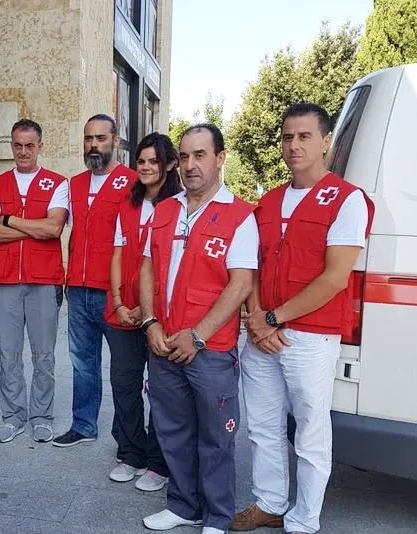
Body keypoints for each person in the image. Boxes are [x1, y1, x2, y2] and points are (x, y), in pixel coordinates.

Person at [231, 103, 374, 534]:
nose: (294, 145)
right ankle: (270, 502)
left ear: (325, 141)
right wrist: (256, 316)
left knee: (311, 432)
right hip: (262, 333)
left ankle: (304, 519)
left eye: (305, 136)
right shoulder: (269, 201)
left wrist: (272, 318)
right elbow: (252, 266)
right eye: (288, 137)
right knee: (262, 426)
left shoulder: (348, 200)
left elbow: (334, 278)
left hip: (308, 338)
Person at [138, 123, 259, 534]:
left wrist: (199, 334)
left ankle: (218, 516)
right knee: (172, 431)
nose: (191, 165)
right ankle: (183, 505)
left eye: (200, 155)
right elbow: (148, 267)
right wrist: (150, 320)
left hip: (209, 348)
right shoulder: (163, 210)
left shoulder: (241, 216)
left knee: (216, 437)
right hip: (164, 342)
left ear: (220, 158)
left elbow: (241, 283)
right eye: (185, 156)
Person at [0, 119, 69, 444]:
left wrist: (10, 220)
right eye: (17, 145)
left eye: (29, 145)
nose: (23, 151)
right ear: (11, 146)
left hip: (43, 280)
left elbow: (53, 229)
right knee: (8, 353)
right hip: (4, 280)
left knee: (44, 354)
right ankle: (13, 416)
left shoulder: (57, 183)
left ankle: (42, 416)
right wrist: (33, 226)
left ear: (40, 146)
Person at [53, 114, 136, 449]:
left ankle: (126, 438)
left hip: (113, 292)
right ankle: (84, 424)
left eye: (101, 138)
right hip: (79, 289)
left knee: (122, 369)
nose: (93, 145)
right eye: (88, 138)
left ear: (115, 141)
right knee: (82, 362)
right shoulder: (73, 184)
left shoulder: (132, 182)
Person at [103, 132, 179, 492]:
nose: (146, 167)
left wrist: (146, 309)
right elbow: (117, 253)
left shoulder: (179, 205)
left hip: (159, 312)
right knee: (125, 384)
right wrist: (119, 302)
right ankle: (129, 453)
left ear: (169, 165)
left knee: (161, 390)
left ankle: (158, 461)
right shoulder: (128, 202)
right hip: (123, 311)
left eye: (153, 161)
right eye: (141, 161)